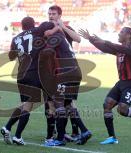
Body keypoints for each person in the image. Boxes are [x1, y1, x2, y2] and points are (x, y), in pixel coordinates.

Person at [79, 27, 131, 144]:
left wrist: (104, 40)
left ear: (128, 36)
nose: (119, 34)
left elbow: (115, 46)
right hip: (121, 83)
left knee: (122, 109)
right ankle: (112, 137)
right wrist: (91, 39)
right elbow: (105, 48)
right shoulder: (119, 50)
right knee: (107, 105)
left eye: (121, 32)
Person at [0, 17, 56, 145]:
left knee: (26, 104)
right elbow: (50, 25)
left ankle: (8, 127)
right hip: (36, 72)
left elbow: (10, 57)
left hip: (22, 75)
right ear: (33, 24)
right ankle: (46, 137)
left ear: (22, 26)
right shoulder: (37, 31)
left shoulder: (16, 38)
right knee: (49, 103)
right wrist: (58, 25)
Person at [44, 5, 91, 144]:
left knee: (57, 103)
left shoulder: (58, 31)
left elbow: (78, 39)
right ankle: (82, 131)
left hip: (65, 70)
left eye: (53, 13)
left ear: (59, 15)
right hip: (70, 69)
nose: (51, 15)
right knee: (67, 104)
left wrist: (61, 27)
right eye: (49, 13)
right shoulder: (49, 29)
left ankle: (58, 137)